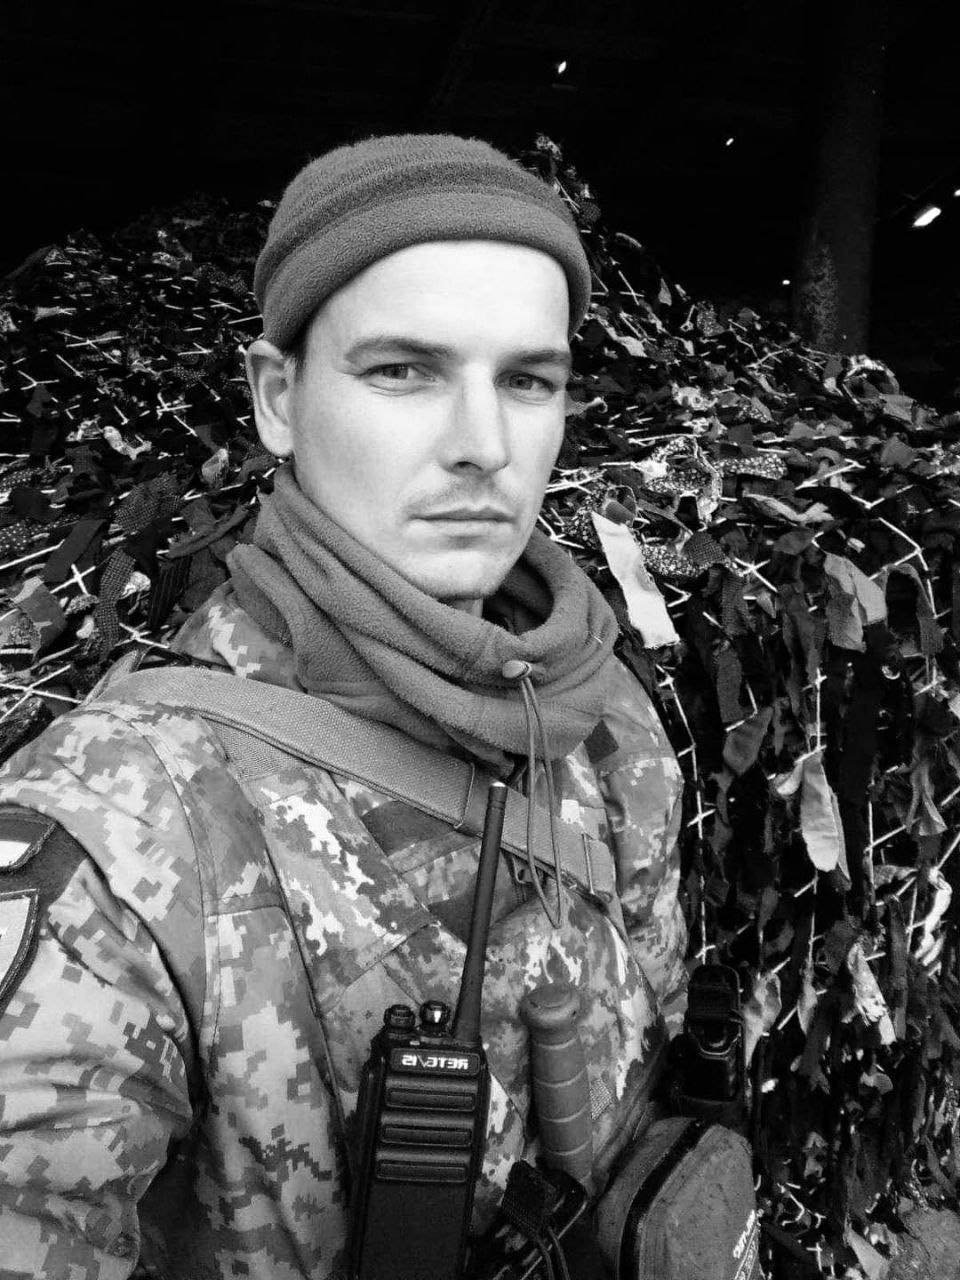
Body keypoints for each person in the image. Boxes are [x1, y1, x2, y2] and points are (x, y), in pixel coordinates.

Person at [0, 133, 687, 1279]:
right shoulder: (122, 828)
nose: (484, 447)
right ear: (278, 398)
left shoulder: (605, 713)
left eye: (528, 380)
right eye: (403, 370)